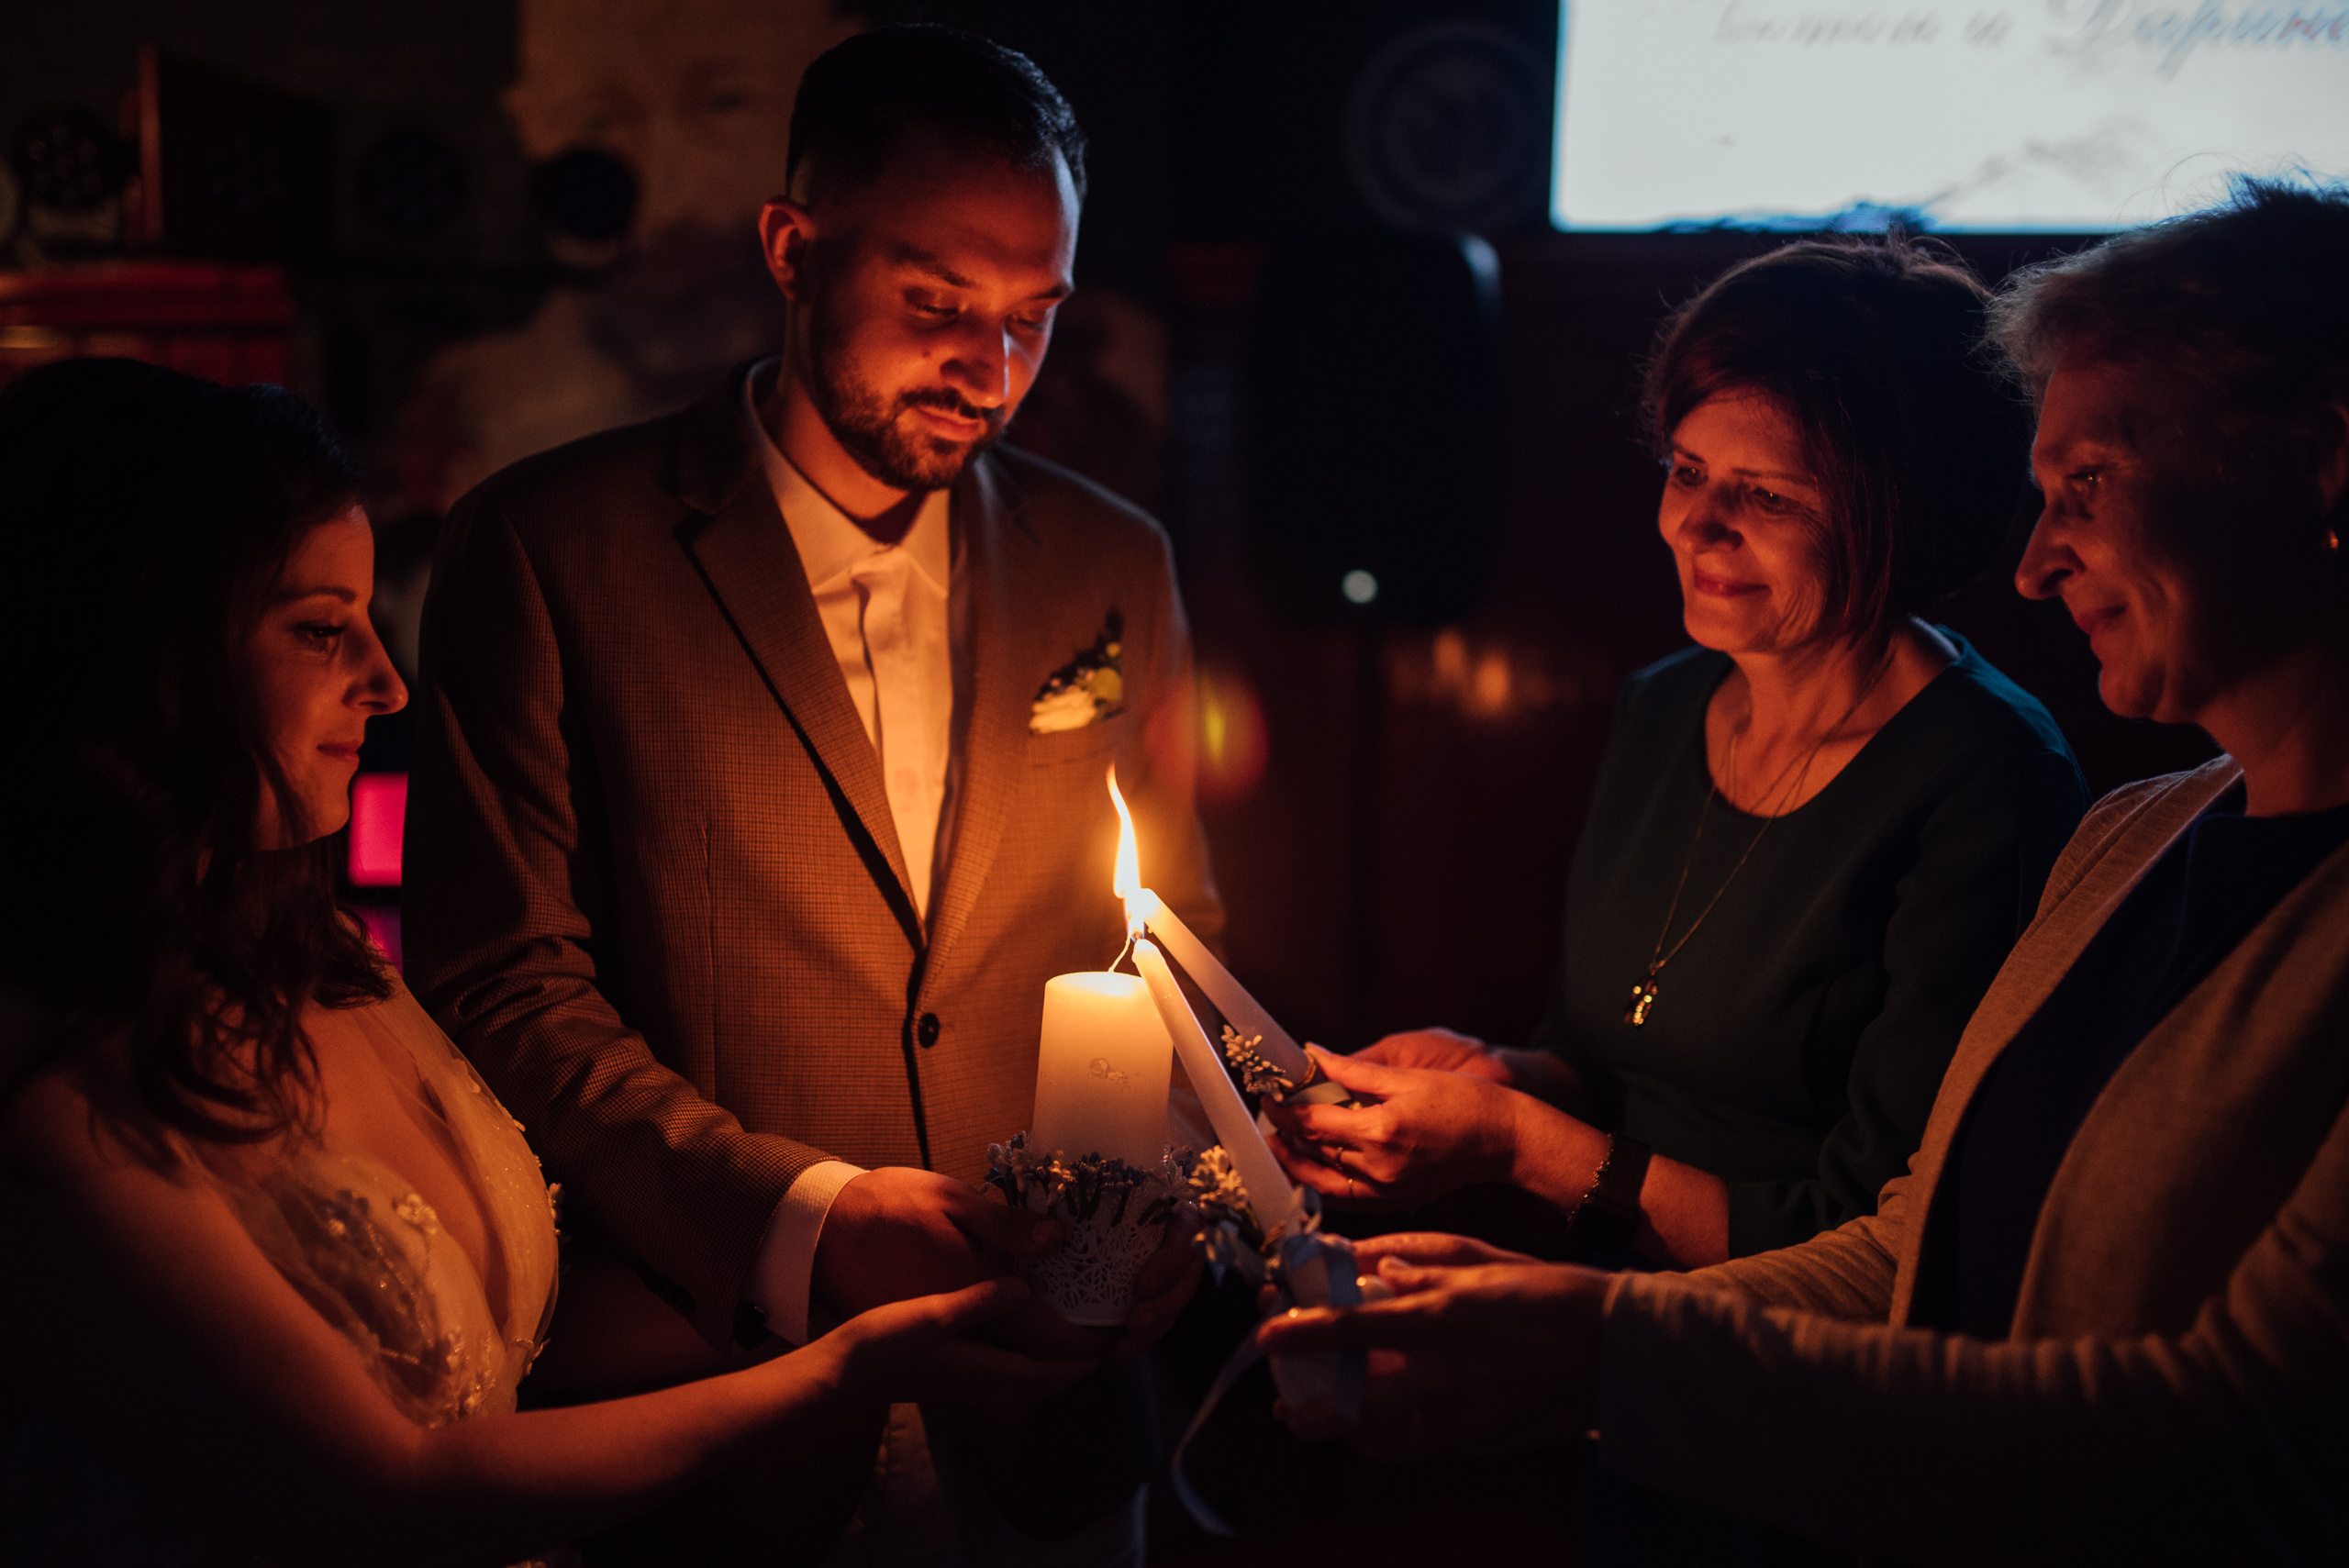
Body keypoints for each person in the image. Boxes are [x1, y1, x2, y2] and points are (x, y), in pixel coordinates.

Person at [1262, 179, 2349, 1563]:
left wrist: (1584, 1312)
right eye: (1684, 472)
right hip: (1705, 1426)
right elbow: (1917, 1237)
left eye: (2090, 482)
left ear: (2320, 462)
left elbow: (2243, 1433)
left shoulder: (1997, 784)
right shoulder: (2140, 838)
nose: (2033, 568)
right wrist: (1503, 1122)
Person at [0, 358, 1053, 1567]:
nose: (386, 683)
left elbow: (499, 1348)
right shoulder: (46, 1103)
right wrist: (843, 1367)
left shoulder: (324, 957)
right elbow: (392, 1491)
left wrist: (830, 1249)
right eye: (317, 631)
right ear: (146, 650)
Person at [403, 25, 1218, 1562]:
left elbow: (1177, 937)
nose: (990, 371)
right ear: (790, 248)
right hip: (723, 1392)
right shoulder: (546, 545)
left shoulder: (1118, 560)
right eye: (935, 306)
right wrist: (804, 1220)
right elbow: (500, 978)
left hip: (1056, 1410)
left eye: (1034, 320)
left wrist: (1178, 1192)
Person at [1269, 237, 2087, 1273]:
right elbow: (1597, 1058)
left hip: (1799, 1371)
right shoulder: (1664, 708)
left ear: (1902, 520)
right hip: (1607, 1322)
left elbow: (1886, 1240)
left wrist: (1513, 1140)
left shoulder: (1987, 780)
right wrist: (1499, 1077)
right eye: (1686, 471)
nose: (1694, 525)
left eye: (1768, 498)